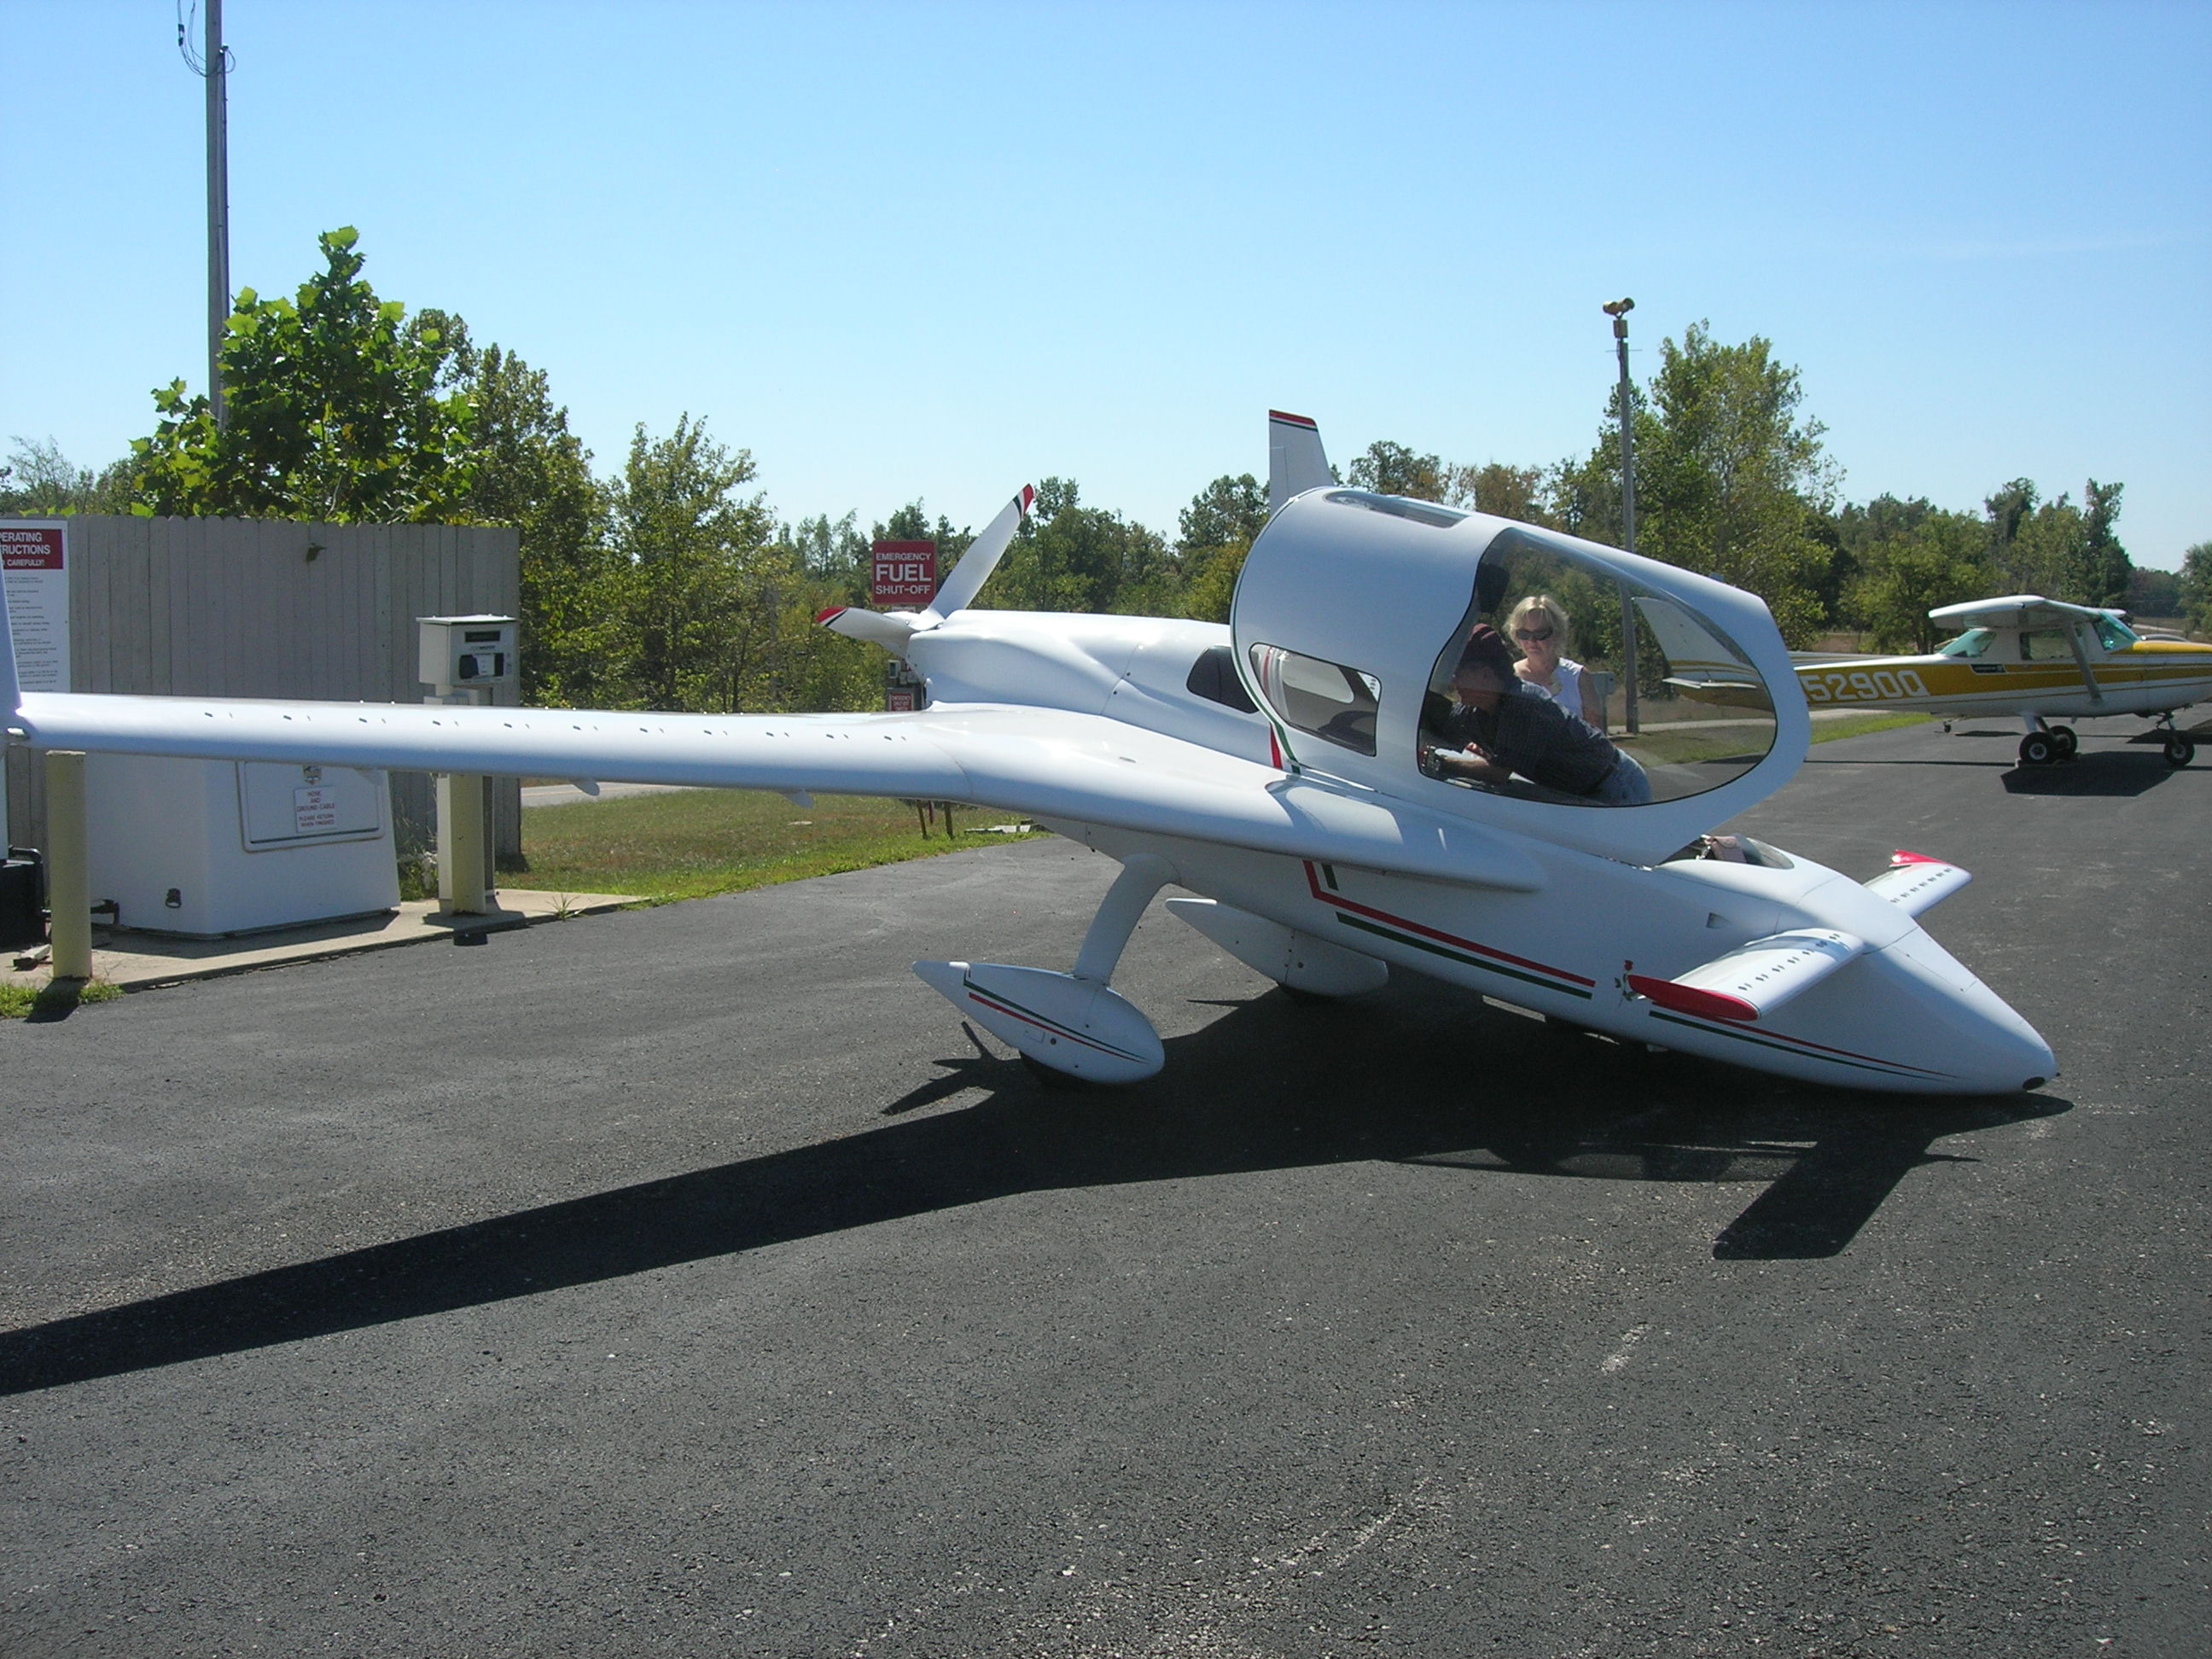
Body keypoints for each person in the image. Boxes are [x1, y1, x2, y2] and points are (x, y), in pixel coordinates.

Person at [1423, 625, 1651, 806]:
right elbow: (1444, 721)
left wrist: (1436, 762)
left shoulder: (1522, 704)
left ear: (1484, 675)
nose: (1453, 681)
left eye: (1458, 673)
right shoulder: (1479, 708)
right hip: (1587, 788)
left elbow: (1498, 774)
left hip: (1616, 787)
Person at [1507, 594, 1605, 728]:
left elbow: (1598, 738)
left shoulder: (1579, 677)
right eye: (1524, 634)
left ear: (1556, 634)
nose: (1531, 641)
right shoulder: (1508, 678)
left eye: (1540, 634)